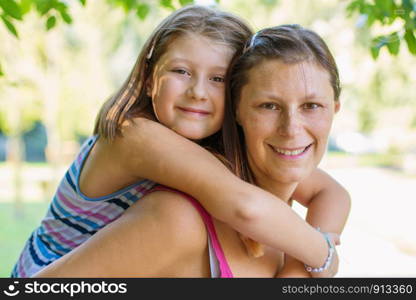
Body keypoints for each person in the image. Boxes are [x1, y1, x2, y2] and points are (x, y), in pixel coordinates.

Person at [13, 5, 349, 277]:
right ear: (148, 79)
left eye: (217, 79)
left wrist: (295, 270)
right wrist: (322, 254)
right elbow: (244, 206)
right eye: (181, 71)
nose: (197, 92)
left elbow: (330, 192)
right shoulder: (135, 134)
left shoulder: (203, 145)